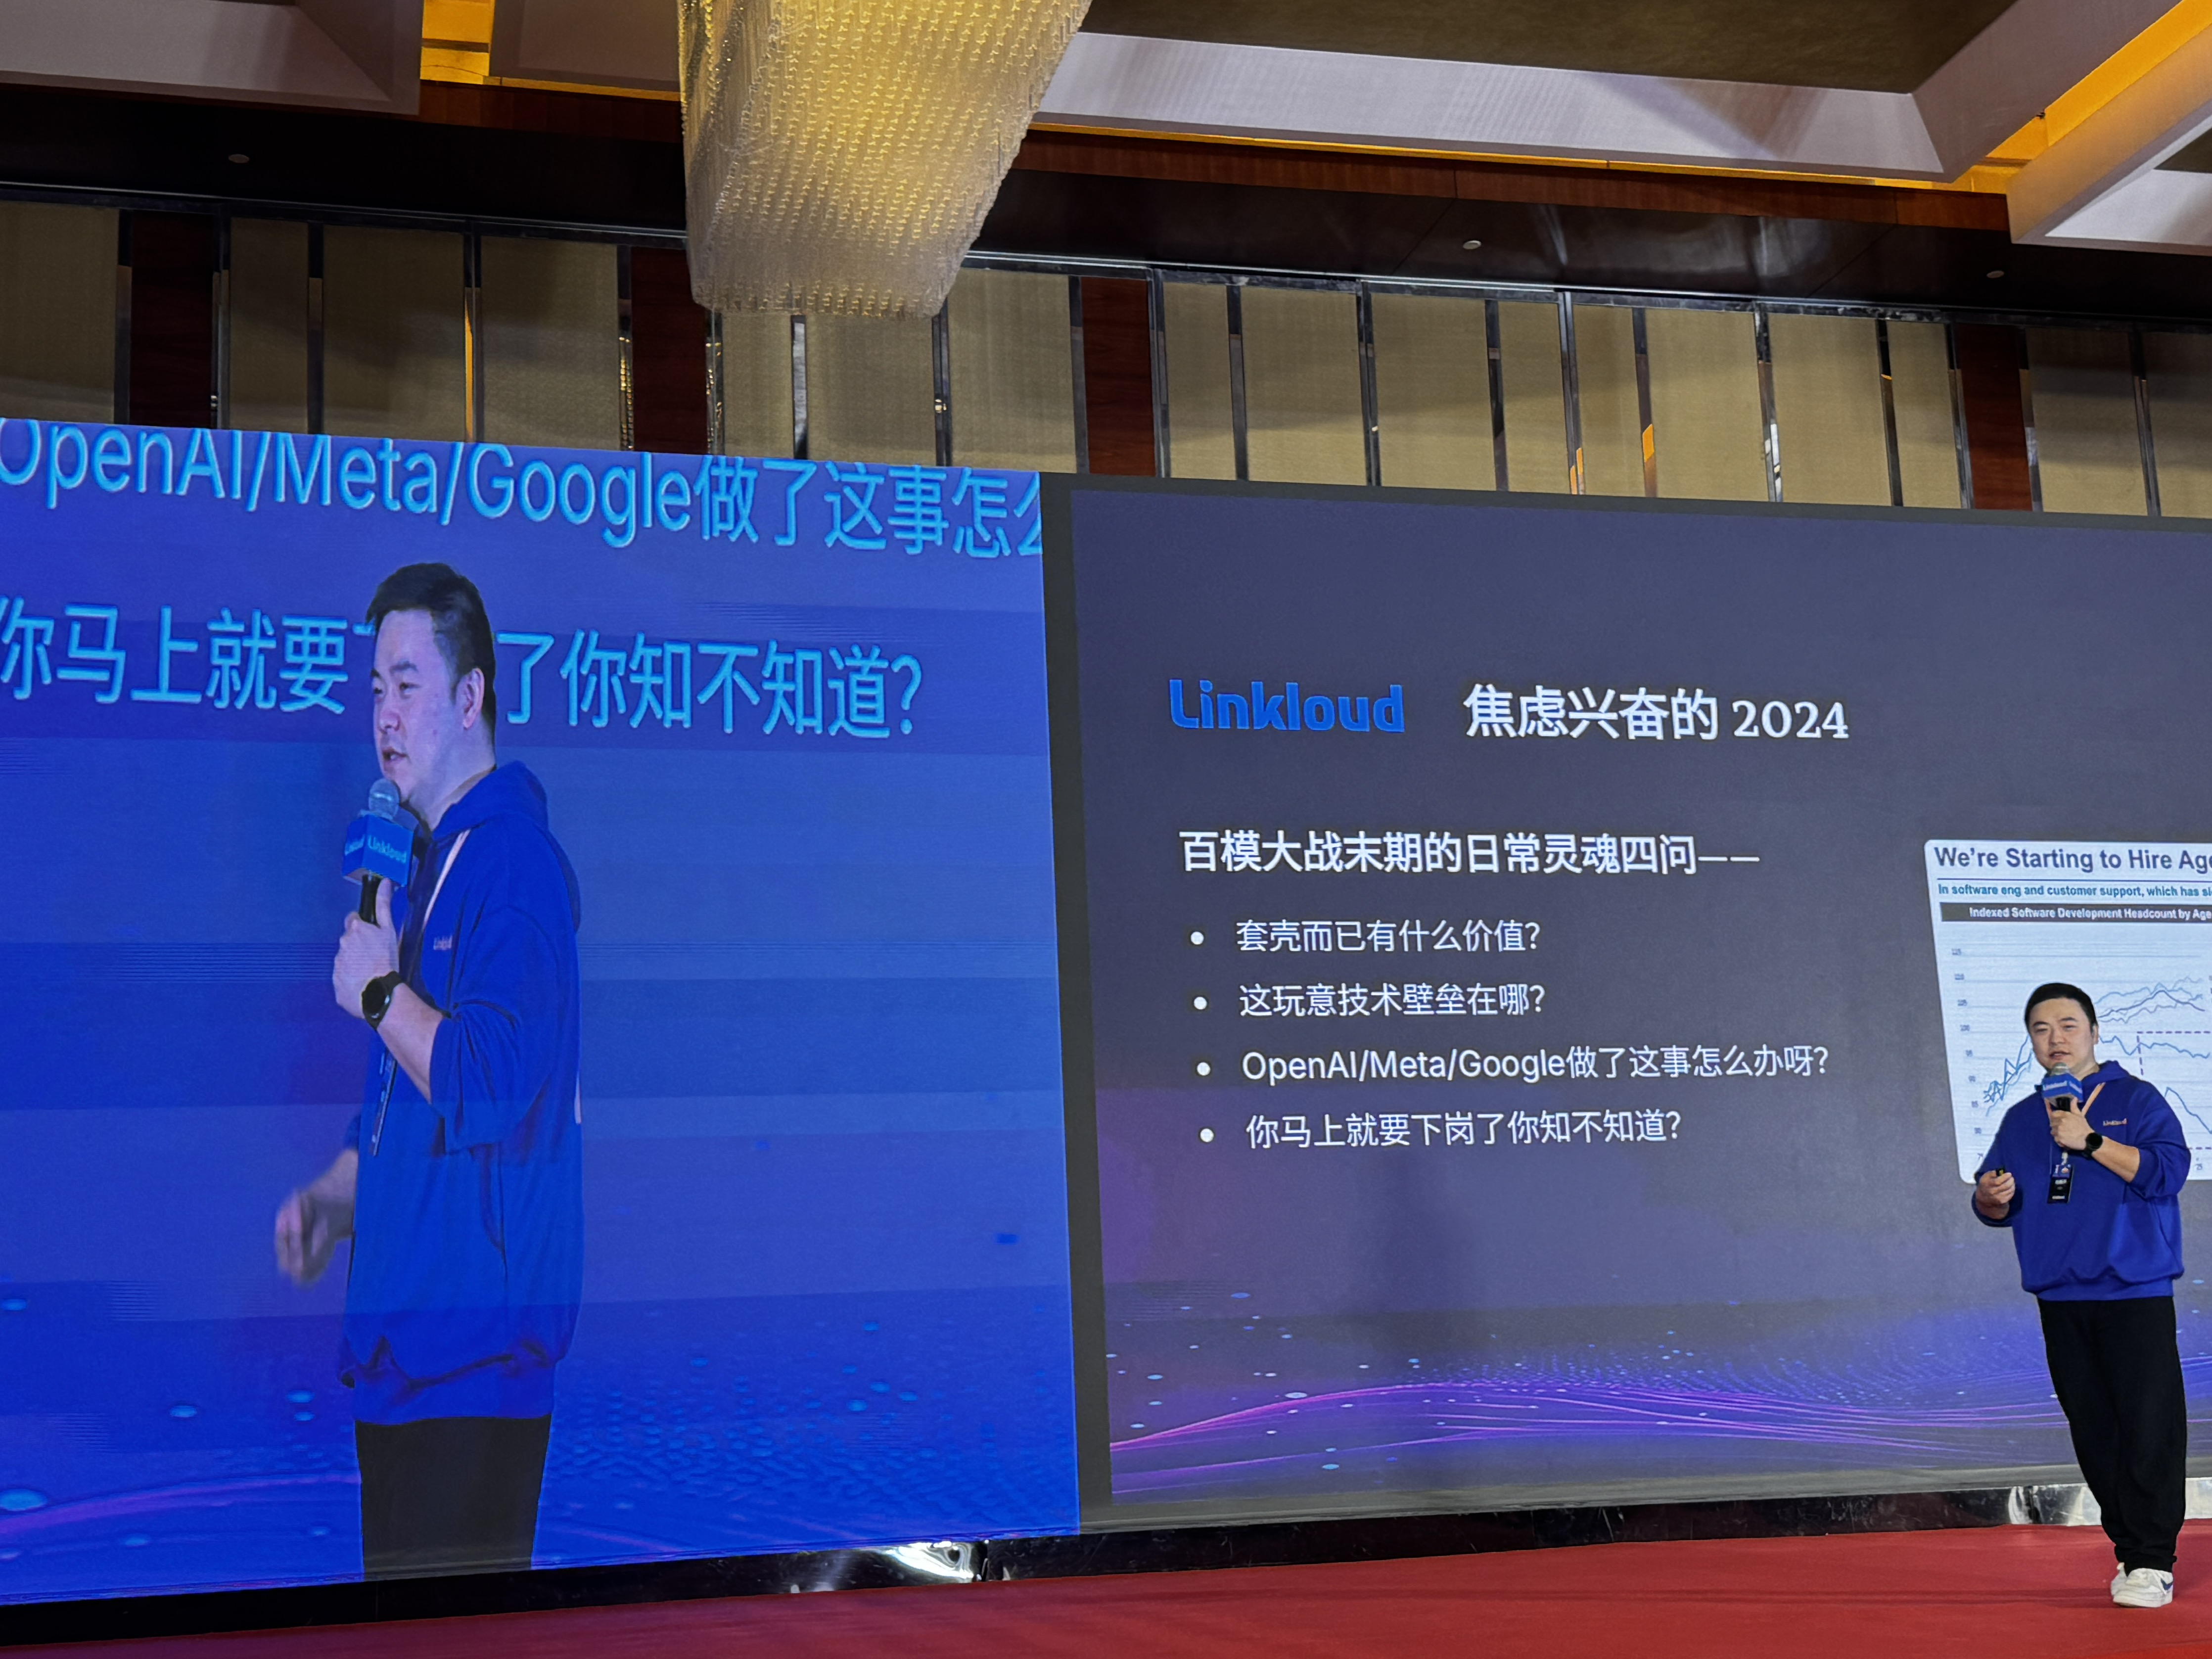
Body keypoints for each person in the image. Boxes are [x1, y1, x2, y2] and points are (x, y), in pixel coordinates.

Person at [274, 562, 583, 1579]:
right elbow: (416, 1110)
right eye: (375, 688)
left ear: (470, 694)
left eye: (407, 685)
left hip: (471, 1372)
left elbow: (490, 1085)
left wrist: (378, 993)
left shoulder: (512, 865)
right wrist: (337, 1197)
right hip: (403, 1359)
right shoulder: (427, 864)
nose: (385, 715)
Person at [1974, 982, 2190, 1609]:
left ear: (2093, 1032)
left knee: (2147, 1428)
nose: (2055, 1039)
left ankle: (2152, 1559)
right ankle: (2129, 1549)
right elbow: (1995, 1202)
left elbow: (2167, 1172)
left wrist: (2090, 1140)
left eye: (2067, 1025)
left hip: (2132, 1289)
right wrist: (1989, 1198)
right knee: (2093, 1430)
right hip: (2060, 1294)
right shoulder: (2022, 1117)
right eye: (2040, 1029)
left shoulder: (2135, 1099)